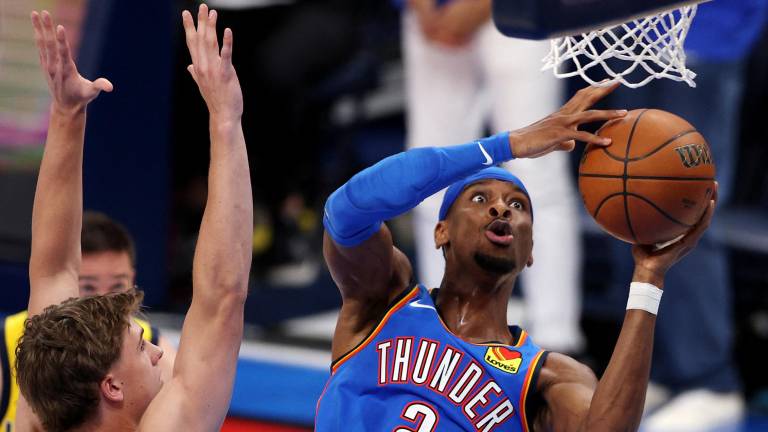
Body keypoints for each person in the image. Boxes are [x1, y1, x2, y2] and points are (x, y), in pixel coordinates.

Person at [315, 83, 717, 430]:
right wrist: (506, 146)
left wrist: (648, 278)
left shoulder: (545, 377)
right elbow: (347, 209)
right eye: (479, 198)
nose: (501, 209)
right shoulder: (383, 299)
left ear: (530, 253)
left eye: (518, 205)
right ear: (441, 232)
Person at [14, 5, 251, 432]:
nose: (159, 353)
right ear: (113, 387)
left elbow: (53, 271)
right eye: (141, 347)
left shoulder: (41, 408)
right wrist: (226, 121)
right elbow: (222, 297)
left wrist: (68, 115)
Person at [600, 1, 768, 429]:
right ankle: (655, 369)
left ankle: (712, 382)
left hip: (708, 30)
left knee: (688, 208)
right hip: (636, 30)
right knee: (627, 203)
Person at [401, 0, 584, 353]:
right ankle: (438, 329)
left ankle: (556, 340)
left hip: (519, 12)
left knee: (536, 168)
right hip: (432, 16)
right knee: (429, 170)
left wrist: (476, 6)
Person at [0, 212, 178, 430]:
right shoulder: (7, 345)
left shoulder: (160, 356)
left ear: (132, 279)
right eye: (88, 288)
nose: (105, 300)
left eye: (117, 287)